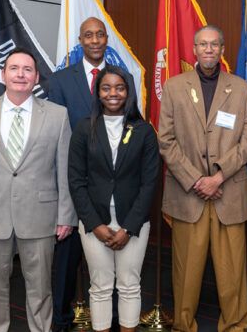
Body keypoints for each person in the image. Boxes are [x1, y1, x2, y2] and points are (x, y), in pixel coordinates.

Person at [0, 47, 77, 332]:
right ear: (3, 74)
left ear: (36, 76)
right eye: (14, 68)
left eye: (27, 69)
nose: (20, 75)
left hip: (41, 215)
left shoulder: (57, 115)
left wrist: (67, 215)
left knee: (40, 289)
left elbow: (65, 169)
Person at [158, 25, 247, 332]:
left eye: (215, 44)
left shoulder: (241, 88)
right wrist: (196, 179)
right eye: (203, 44)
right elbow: (166, 141)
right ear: (194, 50)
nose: (209, 49)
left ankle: (235, 325)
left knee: (232, 272)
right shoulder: (175, 87)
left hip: (229, 192)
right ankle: (184, 325)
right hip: (188, 194)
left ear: (223, 49)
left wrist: (217, 177)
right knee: (186, 271)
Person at [67, 65, 159, 332]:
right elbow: (76, 180)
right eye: (106, 88)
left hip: (134, 222)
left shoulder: (144, 131)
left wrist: (129, 228)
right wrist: (94, 224)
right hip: (95, 223)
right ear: (97, 93)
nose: (113, 93)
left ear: (127, 92)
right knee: (100, 287)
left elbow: (149, 183)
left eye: (119, 87)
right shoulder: (84, 130)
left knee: (129, 285)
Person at [48, 16, 108, 332]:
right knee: (66, 264)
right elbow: (55, 136)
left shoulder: (118, 77)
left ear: (106, 38)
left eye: (100, 34)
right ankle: (61, 320)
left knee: (108, 260)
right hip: (71, 185)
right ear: (80, 41)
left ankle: (109, 320)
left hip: (110, 185)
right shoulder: (58, 81)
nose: (95, 40)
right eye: (88, 35)